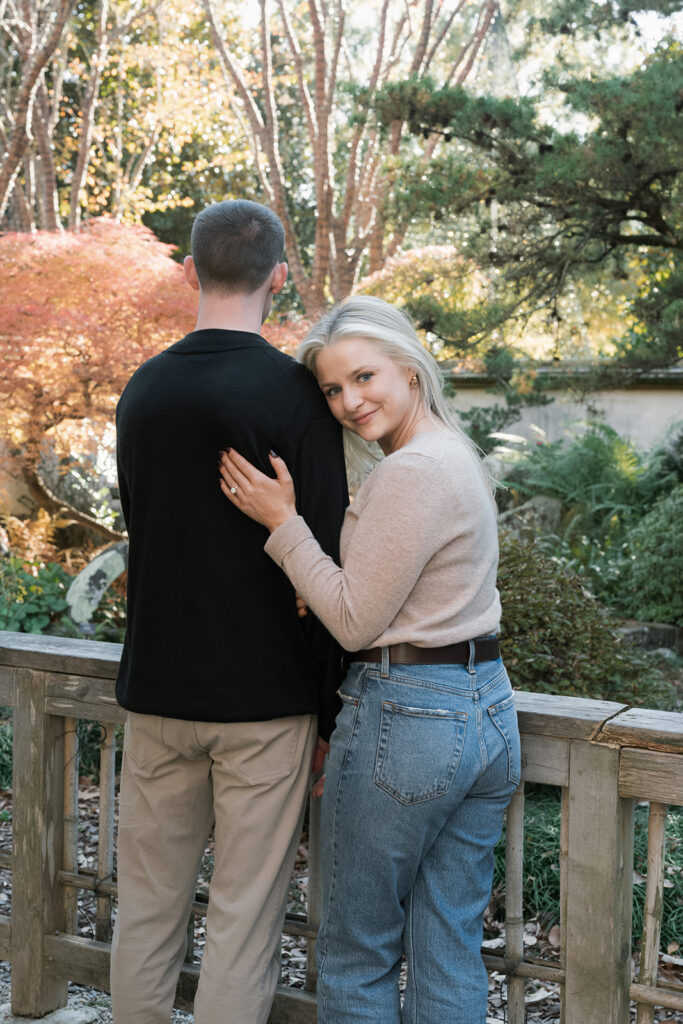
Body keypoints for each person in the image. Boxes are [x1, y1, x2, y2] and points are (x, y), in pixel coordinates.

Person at [218, 295, 521, 1024]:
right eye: (331, 388)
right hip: (484, 709)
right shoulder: (455, 453)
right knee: (446, 940)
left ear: (410, 370)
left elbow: (354, 623)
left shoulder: (410, 471)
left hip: (409, 717)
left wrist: (284, 526)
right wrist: (323, 580)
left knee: (357, 951)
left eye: (364, 378)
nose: (349, 401)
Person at [111, 199, 348, 1024]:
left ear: (189, 271)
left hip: (157, 691)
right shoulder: (292, 394)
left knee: (145, 907)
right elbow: (326, 561)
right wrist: (328, 707)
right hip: (265, 697)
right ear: (279, 278)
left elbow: (141, 533)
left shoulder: (141, 391)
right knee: (242, 921)